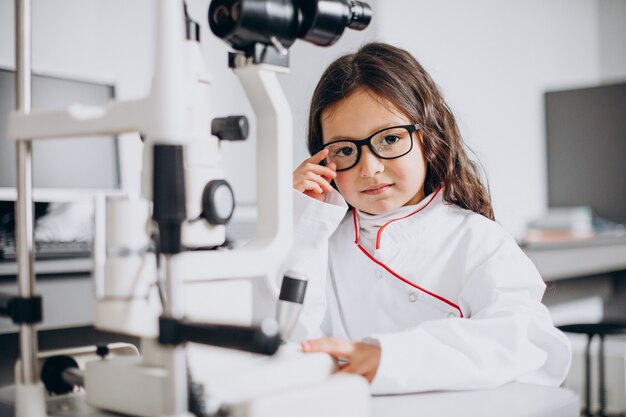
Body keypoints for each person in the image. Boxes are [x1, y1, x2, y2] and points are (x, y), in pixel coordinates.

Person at [288, 42, 571, 394]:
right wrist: (300, 221)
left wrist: (391, 359)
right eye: (345, 150)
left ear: (428, 137)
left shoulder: (475, 239)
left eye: (390, 139)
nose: (370, 168)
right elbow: (287, 338)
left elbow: (529, 340)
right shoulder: (319, 240)